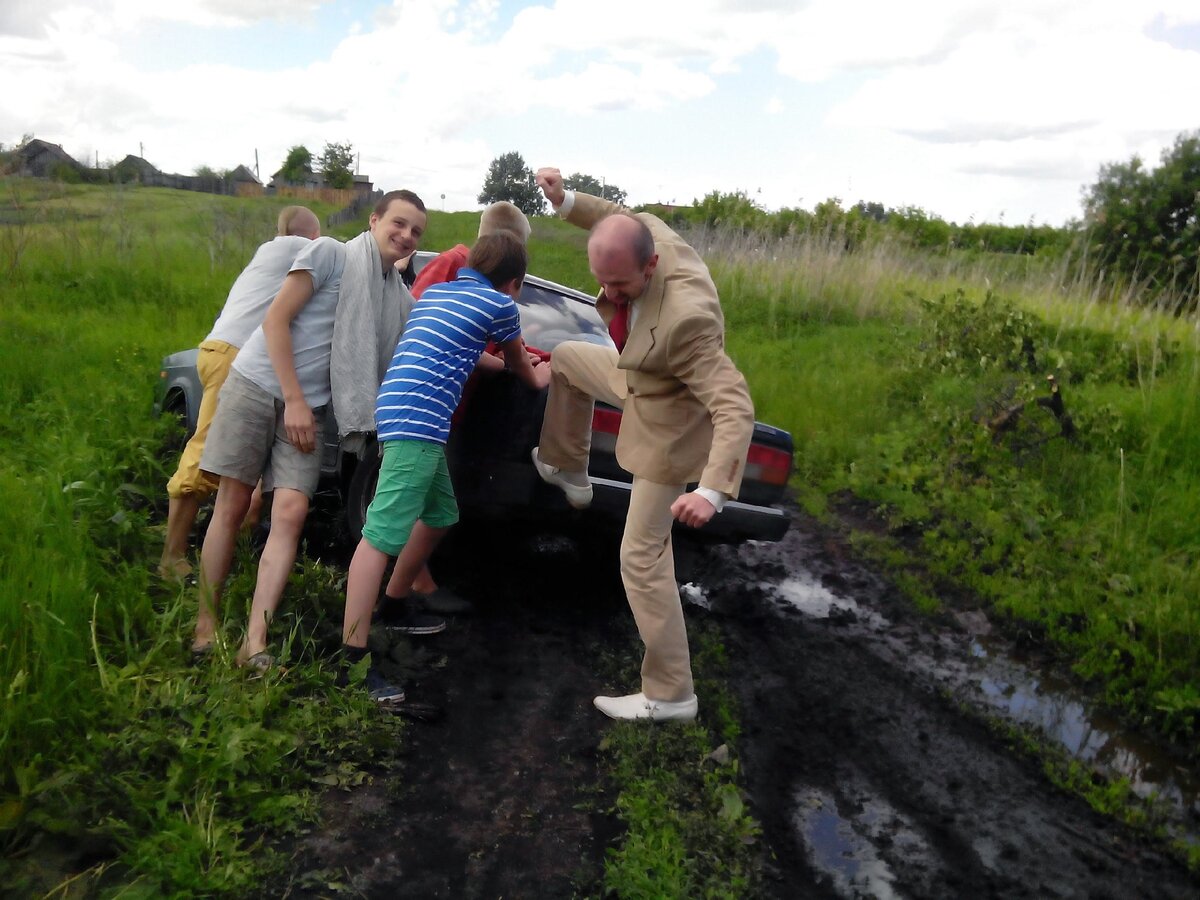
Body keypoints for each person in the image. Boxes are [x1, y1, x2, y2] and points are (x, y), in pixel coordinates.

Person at [529, 167, 755, 722]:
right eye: (601, 282)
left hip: (670, 424)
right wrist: (565, 201)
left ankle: (671, 694)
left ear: (651, 265)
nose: (607, 296)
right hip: (636, 376)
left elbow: (734, 406)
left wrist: (711, 491)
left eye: (621, 287)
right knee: (566, 357)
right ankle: (567, 468)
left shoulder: (688, 322)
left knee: (641, 556)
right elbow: (612, 216)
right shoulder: (645, 230)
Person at [191, 190, 427, 667]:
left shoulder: (394, 296)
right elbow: (276, 320)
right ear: (375, 219)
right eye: (398, 223)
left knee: (292, 512)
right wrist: (293, 399)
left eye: (416, 232)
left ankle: (253, 641)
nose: (405, 236)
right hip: (258, 383)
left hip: (310, 408)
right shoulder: (331, 254)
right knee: (232, 504)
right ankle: (205, 624)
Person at [339, 230, 551, 701]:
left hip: (398, 409)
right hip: (419, 422)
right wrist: (549, 369)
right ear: (513, 283)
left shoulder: (439, 293)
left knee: (439, 517)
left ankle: (395, 605)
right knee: (378, 539)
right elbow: (526, 373)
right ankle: (350, 660)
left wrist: (505, 363)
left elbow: (468, 350)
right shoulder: (501, 308)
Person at [377, 200, 535, 618]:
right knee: (401, 508)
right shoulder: (453, 265)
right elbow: (414, 316)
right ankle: (398, 595)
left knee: (438, 508)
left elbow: (488, 341)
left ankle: (404, 589)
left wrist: (513, 357)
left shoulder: (480, 284)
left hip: (449, 407)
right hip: (420, 405)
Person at [159, 206, 321, 580]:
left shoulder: (270, 255)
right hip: (234, 355)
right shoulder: (298, 248)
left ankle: (229, 541)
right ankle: (172, 557)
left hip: (222, 349)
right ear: (310, 236)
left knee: (240, 456)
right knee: (207, 451)